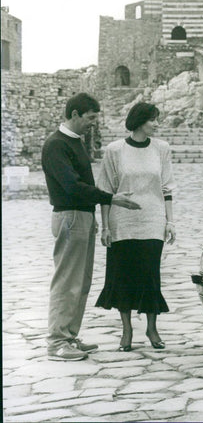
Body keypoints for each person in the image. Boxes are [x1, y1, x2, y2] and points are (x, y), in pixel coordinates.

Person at [42, 93, 141, 361]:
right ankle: (57, 342)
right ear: (75, 114)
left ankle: (69, 337)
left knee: (81, 282)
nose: (93, 123)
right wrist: (111, 198)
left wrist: (93, 215)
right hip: (70, 216)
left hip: (83, 216)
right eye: (90, 117)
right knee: (67, 281)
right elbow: (72, 186)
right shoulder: (56, 144)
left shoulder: (75, 142)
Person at [95, 102, 176, 352]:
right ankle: (127, 330)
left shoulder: (162, 148)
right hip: (122, 221)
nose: (157, 124)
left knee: (150, 275)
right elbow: (106, 190)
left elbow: (167, 187)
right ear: (139, 121)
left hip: (152, 220)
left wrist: (170, 221)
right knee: (122, 275)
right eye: (152, 119)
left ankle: (152, 328)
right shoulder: (114, 150)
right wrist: (106, 227)